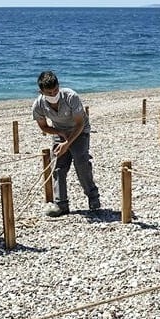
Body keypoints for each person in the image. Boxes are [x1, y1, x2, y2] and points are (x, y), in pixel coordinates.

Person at [31, 70, 100, 216]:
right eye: (49, 93)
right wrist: (59, 134)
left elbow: (80, 124)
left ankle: (93, 196)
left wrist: (67, 143)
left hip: (79, 131)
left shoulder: (71, 96)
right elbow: (43, 126)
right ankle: (61, 203)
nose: (53, 94)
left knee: (81, 162)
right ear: (41, 91)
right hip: (60, 132)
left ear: (59, 86)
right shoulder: (38, 105)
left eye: (55, 90)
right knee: (58, 167)